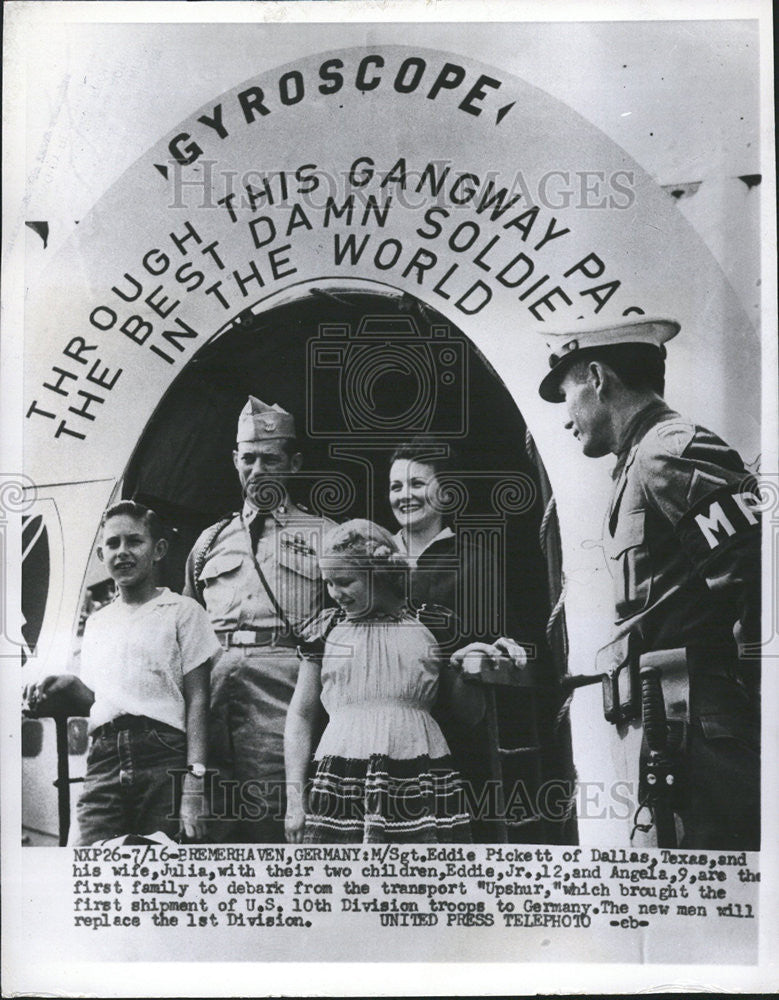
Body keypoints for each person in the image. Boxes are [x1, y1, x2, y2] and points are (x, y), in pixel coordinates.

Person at [538, 317, 761, 850]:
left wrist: (751, 699)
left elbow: (759, 572)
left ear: (597, 376)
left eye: (567, 395)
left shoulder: (669, 450)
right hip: (665, 728)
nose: (566, 419)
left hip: (696, 730)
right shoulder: (636, 462)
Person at [25, 501, 221, 845]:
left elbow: (198, 700)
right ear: (101, 554)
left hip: (163, 755)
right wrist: (66, 686)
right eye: (113, 544)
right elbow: (104, 698)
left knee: (162, 863)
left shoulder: (183, 612)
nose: (123, 552)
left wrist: (195, 781)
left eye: (134, 541)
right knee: (90, 862)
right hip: (104, 757)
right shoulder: (99, 622)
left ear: (158, 549)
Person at [184, 396, 334, 842]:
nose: (258, 469)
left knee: (274, 817)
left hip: (285, 697)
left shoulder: (325, 535)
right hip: (214, 693)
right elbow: (188, 630)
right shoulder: (210, 543)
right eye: (248, 458)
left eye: (271, 458)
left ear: (294, 463)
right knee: (210, 821)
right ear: (235, 460)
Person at [284, 520, 476, 844]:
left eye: (345, 582)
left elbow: (470, 715)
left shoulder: (430, 623)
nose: (335, 594)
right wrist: (294, 801)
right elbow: (301, 715)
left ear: (380, 574)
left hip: (418, 771)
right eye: (328, 583)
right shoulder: (326, 631)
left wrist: (467, 667)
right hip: (342, 775)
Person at [387, 440, 526, 840]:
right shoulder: (373, 556)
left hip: (451, 729)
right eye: (396, 487)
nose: (404, 495)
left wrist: (489, 649)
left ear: (446, 493)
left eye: (417, 484)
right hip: (380, 721)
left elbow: (500, 641)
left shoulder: (473, 558)